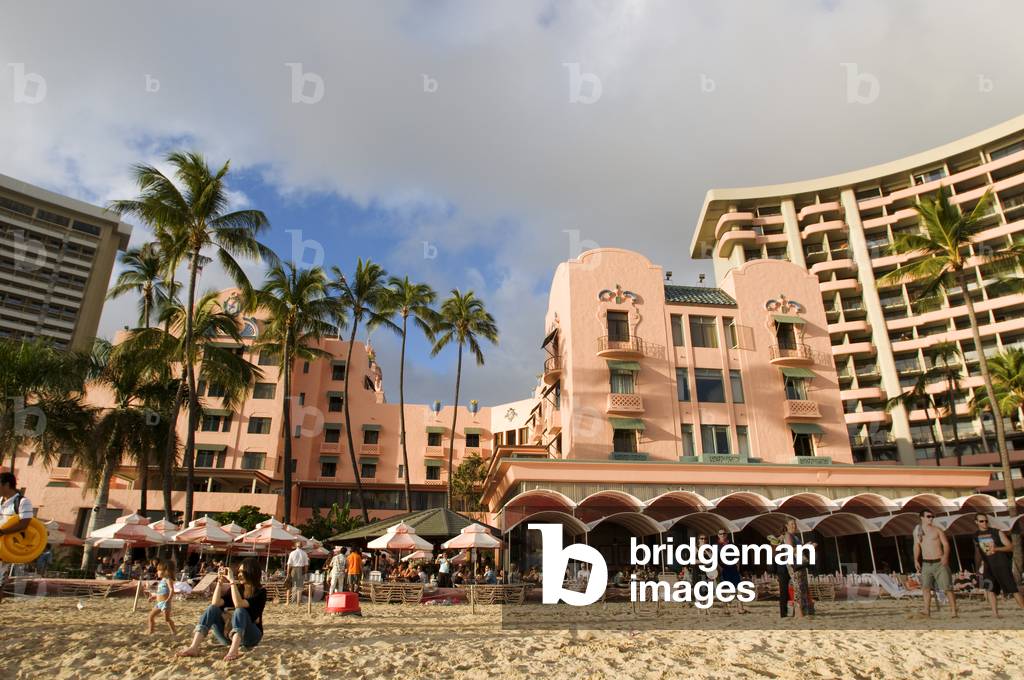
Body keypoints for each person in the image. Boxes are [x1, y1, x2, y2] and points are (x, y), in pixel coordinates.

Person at [177, 558, 267, 661]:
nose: (239, 574)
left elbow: (239, 604)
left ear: (252, 572)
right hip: (228, 636)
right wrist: (219, 583)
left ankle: (233, 651)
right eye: (239, 572)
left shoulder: (261, 592)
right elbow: (215, 603)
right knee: (212, 608)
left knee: (240, 611)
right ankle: (193, 647)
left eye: (243, 572)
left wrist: (232, 582)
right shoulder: (237, 589)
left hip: (250, 637)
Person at [973, 513, 1024, 617]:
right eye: (982, 521)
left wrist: (996, 549)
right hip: (988, 565)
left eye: (986, 521)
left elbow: (1010, 547)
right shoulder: (975, 535)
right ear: (976, 522)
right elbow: (978, 552)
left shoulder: (996, 532)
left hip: (1001, 564)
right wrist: (978, 567)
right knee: (990, 589)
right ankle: (995, 614)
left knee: (1012, 588)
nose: (985, 523)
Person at [913, 509, 958, 618]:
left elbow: (946, 544)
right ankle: (927, 611)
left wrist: (945, 557)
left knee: (947, 587)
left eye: (932, 516)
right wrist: (915, 560)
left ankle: (954, 612)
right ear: (922, 518)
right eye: (928, 516)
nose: (931, 518)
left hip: (939, 562)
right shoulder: (917, 530)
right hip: (926, 563)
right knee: (926, 588)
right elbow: (916, 545)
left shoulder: (937, 530)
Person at [783, 519, 810, 619]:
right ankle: (798, 612)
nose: (794, 526)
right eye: (792, 524)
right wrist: (805, 547)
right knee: (797, 586)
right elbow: (790, 549)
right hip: (793, 564)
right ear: (787, 525)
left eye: (795, 524)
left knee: (802, 586)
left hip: (800, 563)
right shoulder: (788, 535)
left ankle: (801, 610)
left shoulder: (795, 536)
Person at [147, 559, 179, 635]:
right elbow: (160, 593)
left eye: (159, 570)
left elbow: (172, 590)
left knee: (167, 619)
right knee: (150, 617)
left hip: (165, 603)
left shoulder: (168, 579)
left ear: (166, 571)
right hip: (159, 603)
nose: (157, 572)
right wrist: (153, 597)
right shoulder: (162, 581)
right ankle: (151, 632)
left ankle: (174, 632)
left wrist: (168, 599)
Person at [285, 540, 309, 605]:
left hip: (293, 569)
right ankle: (298, 602)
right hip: (300, 569)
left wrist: (288, 574)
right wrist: (305, 573)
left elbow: (289, 565)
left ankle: (287, 602)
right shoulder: (304, 553)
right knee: (299, 587)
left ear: (295, 546)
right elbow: (306, 565)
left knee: (289, 586)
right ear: (301, 546)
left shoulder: (292, 553)